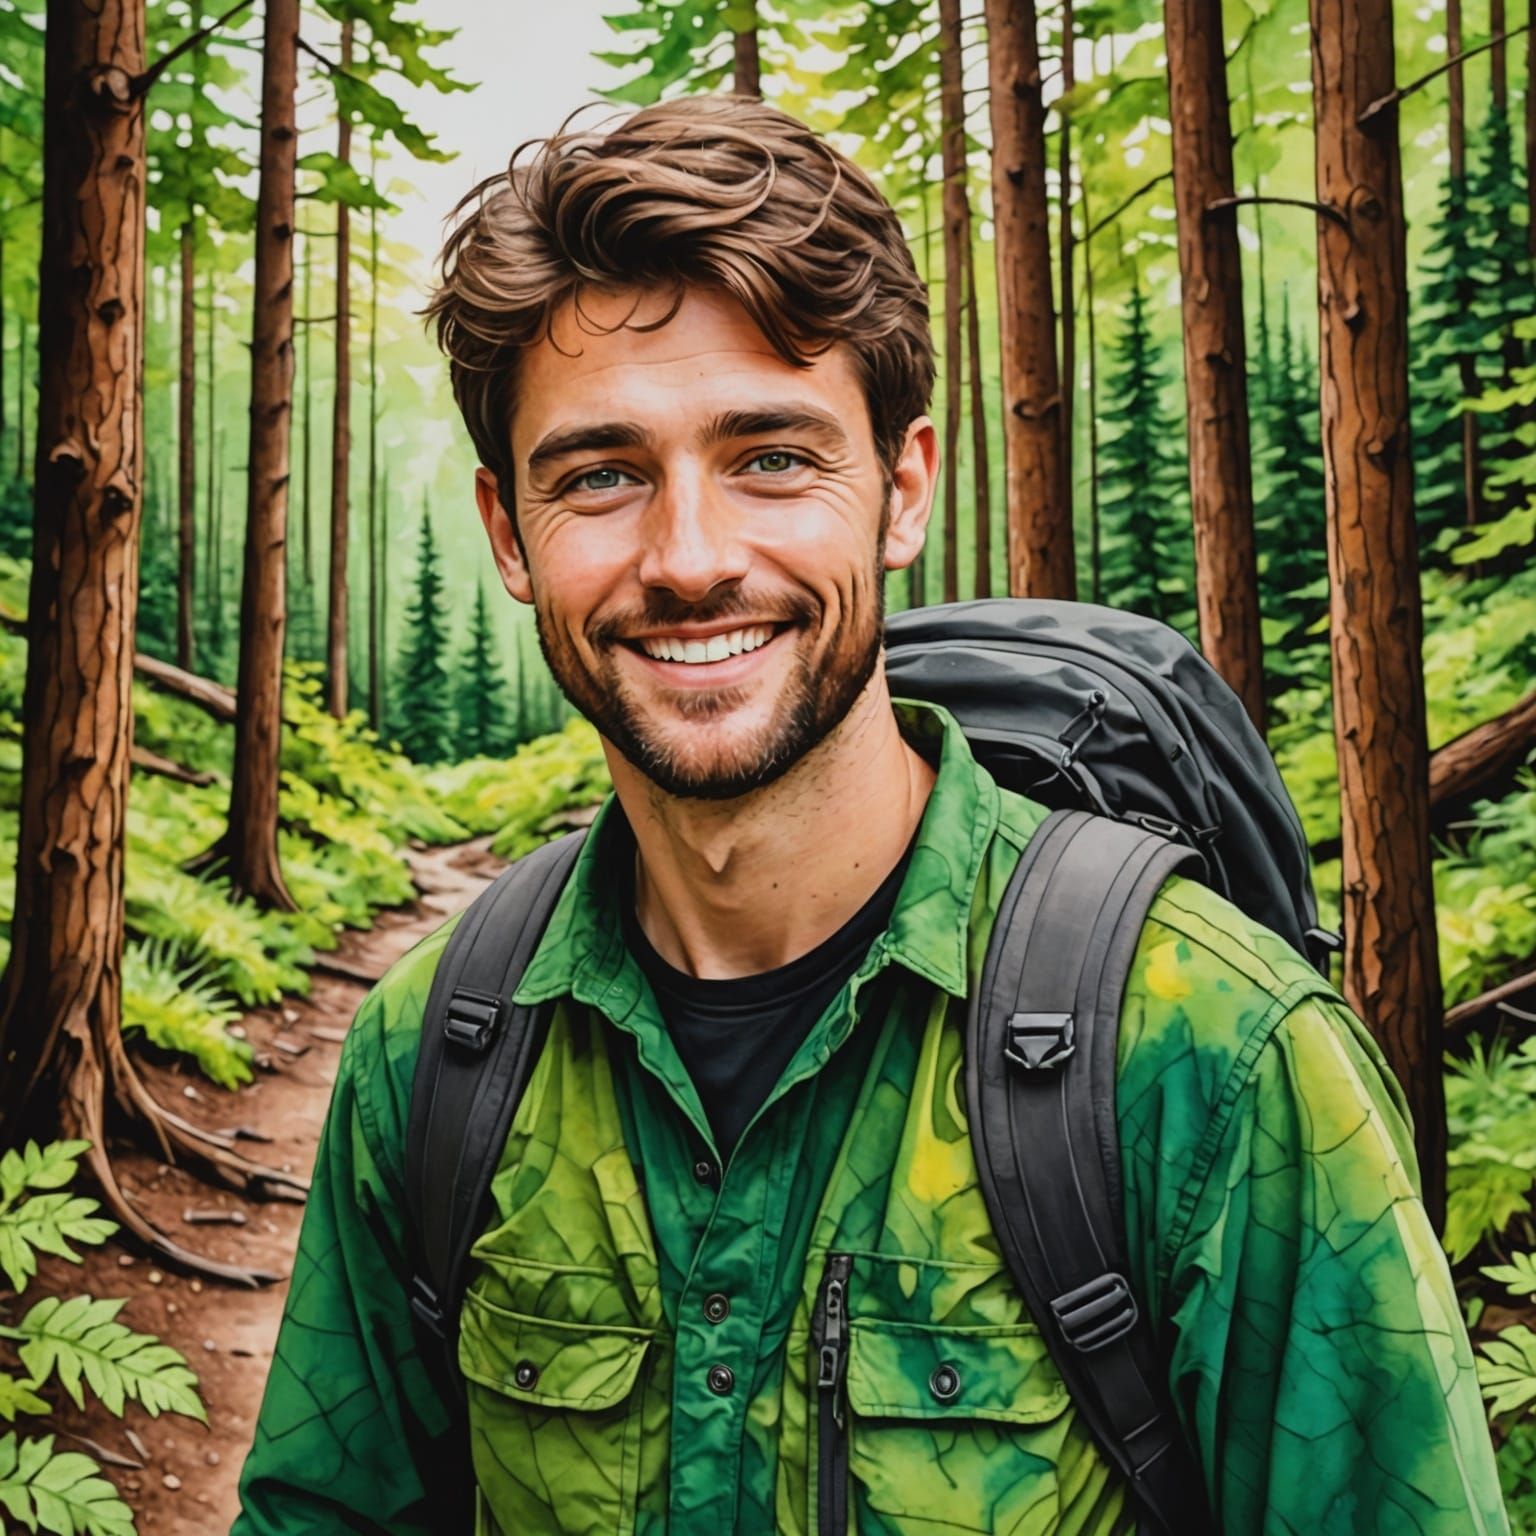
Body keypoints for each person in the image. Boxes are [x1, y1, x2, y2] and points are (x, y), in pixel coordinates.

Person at [231, 96, 1507, 1536]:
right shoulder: (435, 1055)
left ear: (900, 492)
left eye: (772, 456)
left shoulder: (1209, 1062)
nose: (691, 558)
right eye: (601, 475)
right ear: (510, 536)